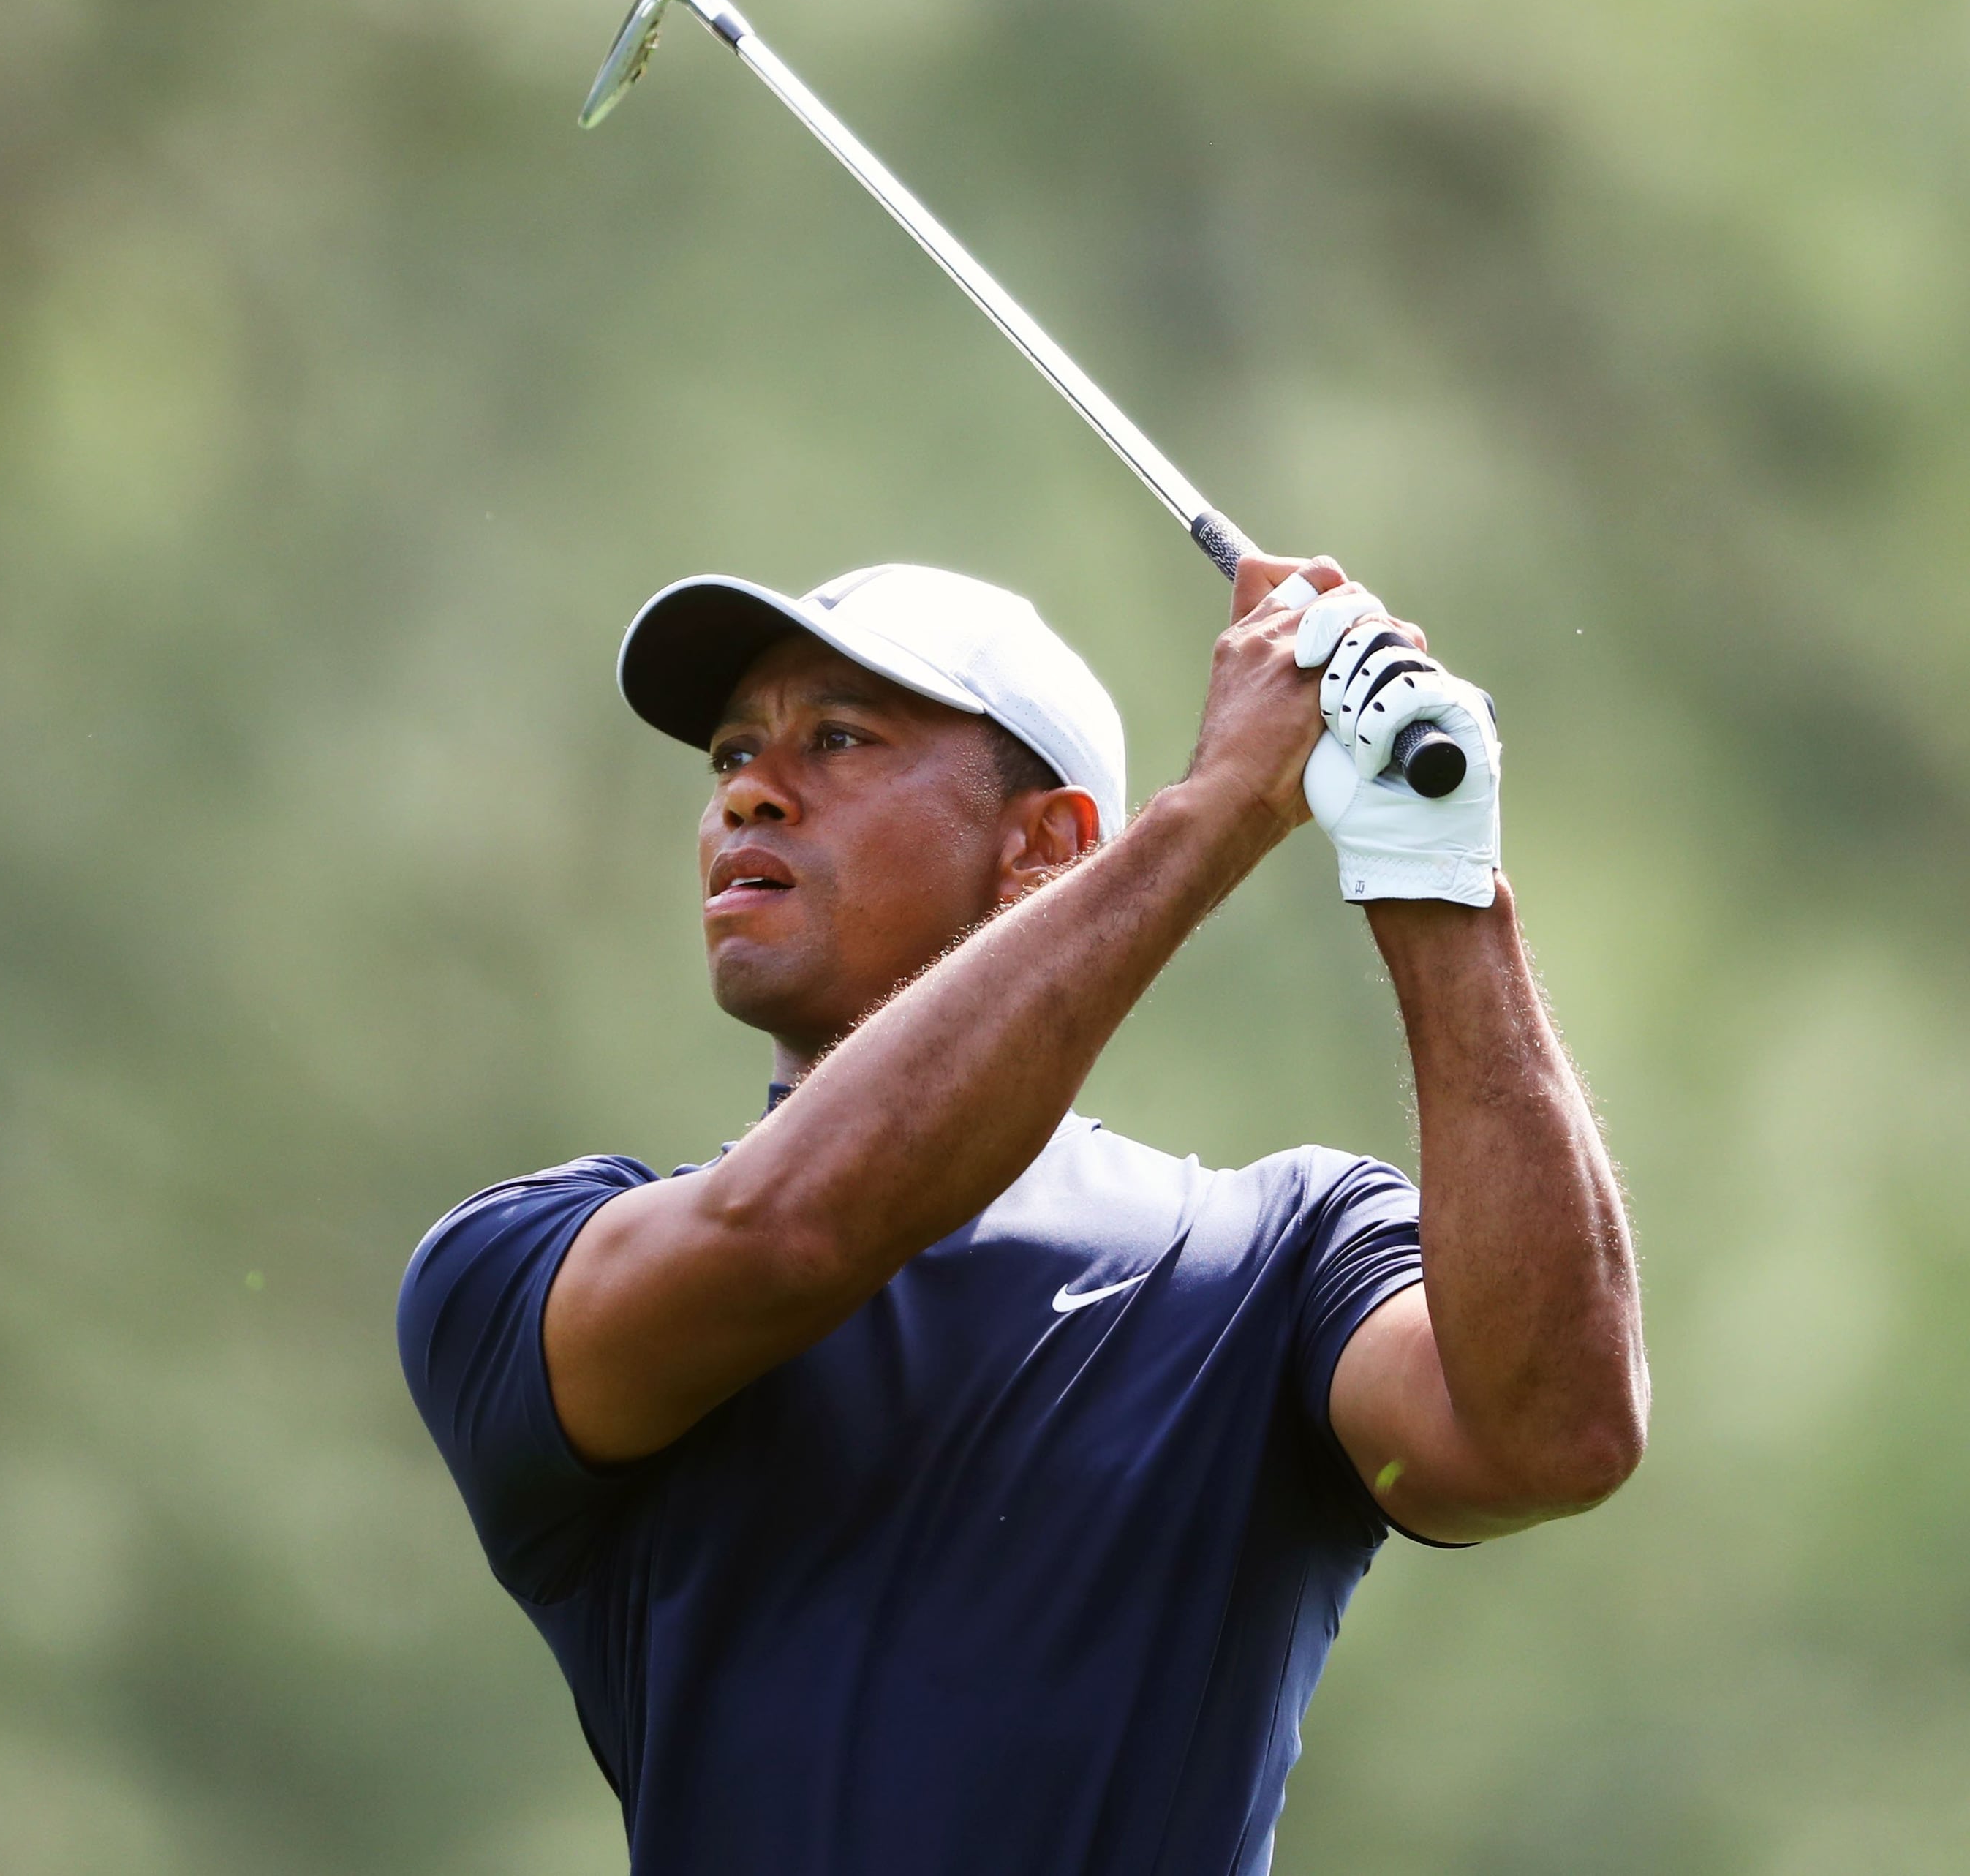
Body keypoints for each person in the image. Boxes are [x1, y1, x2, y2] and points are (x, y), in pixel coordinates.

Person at [398, 553, 1646, 1875]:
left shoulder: (1276, 1264)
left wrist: (1436, 879)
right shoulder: (515, 1272)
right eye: (729, 757)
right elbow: (792, 1233)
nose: (750, 791)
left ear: (1047, 847)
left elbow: (1553, 1436)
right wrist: (1219, 807)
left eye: (836, 738)